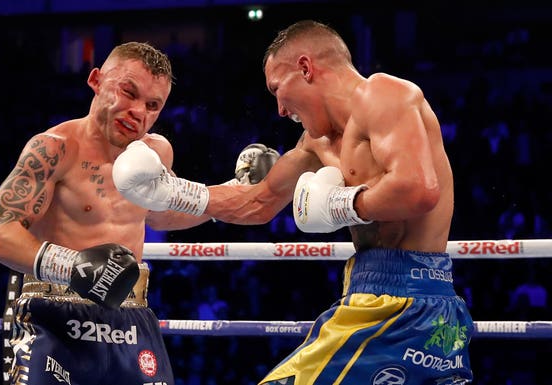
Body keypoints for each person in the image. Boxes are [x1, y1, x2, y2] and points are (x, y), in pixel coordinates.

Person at [113, 20, 474, 384]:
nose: (281, 110)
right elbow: (259, 201)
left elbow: (419, 190)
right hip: (375, 298)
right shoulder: (314, 144)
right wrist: (170, 193)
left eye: (276, 88)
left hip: (406, 304)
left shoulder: (383, 94)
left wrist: (340, 204)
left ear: (305, 68)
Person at [0, 41, 279, 385]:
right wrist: (73, 267)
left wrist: (238, 186)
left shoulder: (156, 152)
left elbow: (162, 215)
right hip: (52, 315)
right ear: (96, 80)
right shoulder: (55, 148)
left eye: (153, 105)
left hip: (129, 316)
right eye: (128, 93)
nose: (139, 112)